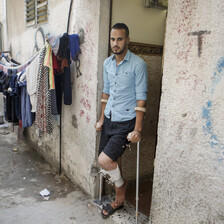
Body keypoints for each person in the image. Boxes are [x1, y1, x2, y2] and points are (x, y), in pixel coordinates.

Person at [95, 23, 148, 219]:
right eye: (112, 39)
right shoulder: (107, 63)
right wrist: (101, 118)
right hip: (109, 118)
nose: (115, 43)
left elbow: (141, 98)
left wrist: (138, 129)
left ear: (127, 40)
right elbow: (105, 93)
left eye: (119, 39)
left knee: (104, 160)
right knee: (113, 160)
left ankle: (120, 188)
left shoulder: (139, 64)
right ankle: (119, 196)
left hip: (126, 121)